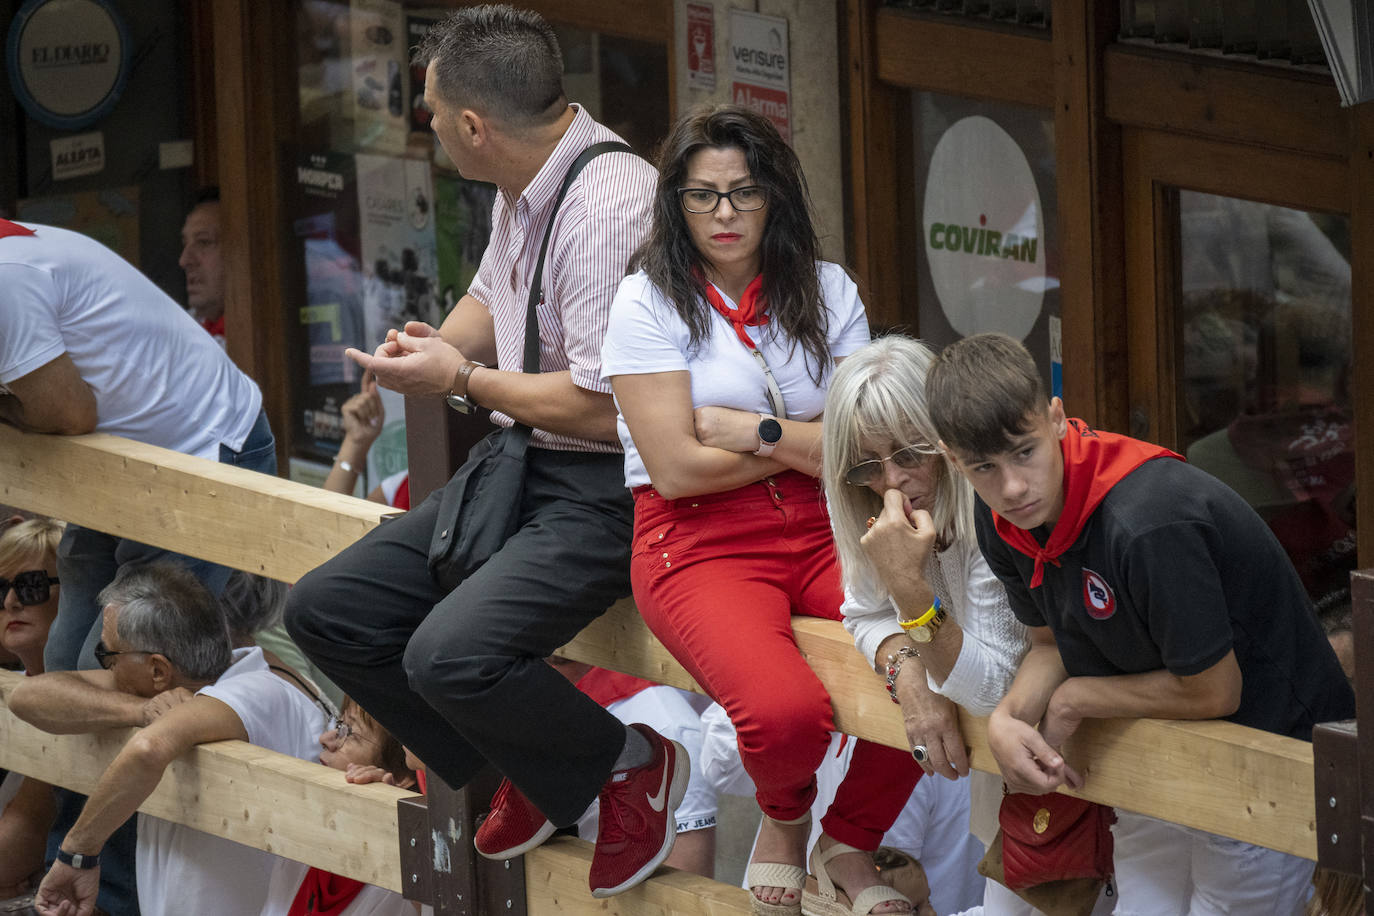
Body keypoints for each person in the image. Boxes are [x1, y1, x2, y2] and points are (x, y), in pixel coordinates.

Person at [284, 6, 686, 900]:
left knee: (444, 657)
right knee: (325, 611)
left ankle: (627, 762)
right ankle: (533, 769)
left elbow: (607, 410)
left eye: (428, 110)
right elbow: (489, 302)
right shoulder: (525, 180)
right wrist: (423, 355)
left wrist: (459, 379)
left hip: (606, 484)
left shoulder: (606, 201)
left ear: (473, 125)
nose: (422, 122)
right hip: (524, 467)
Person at [600, 104, 911, 916]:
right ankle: (786, 816)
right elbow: (673, 470)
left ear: (775, 196)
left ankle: (846, 841)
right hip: (698, 546)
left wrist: (754, 430)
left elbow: (866, 449)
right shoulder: (645, 302)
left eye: (744, 192)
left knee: (935, 666)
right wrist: (804, 442)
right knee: (783, 716)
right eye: (703, 197)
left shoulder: (827, 289)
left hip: (826, 522)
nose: (725, 214)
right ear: (676, 204)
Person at [925, 332, 1357, 915]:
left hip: (1263, 764)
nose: (1013, 487)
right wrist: (1009, 717)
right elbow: (1049, 643)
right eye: (984, 467)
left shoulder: (1147, 521)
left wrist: (1076, 699)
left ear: (1055, 417)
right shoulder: (998, 513)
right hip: (1153, 752)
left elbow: (1213, 688)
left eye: (1024, 451)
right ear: (955, 461)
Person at [823, 336, 1107, 916]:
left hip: (1099, 756)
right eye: (866, 466)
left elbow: (991, 687)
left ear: (950, 445)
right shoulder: (874, 507)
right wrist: (910, 682)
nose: (892, 482)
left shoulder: (997, 503)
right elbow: (863, 611)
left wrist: (909, 588)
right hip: (1011, 767)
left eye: (909, 454)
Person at [10, 563, 322, 916]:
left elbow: (147, 749)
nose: (105, 667)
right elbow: (28, 696)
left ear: (158, 669)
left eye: (107, 655)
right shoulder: (180, 681)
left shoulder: (257, 690)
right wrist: (140, 711)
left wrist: (76, 856)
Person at [258, 698, 416, 916]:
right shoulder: (304, 830)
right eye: (338, 724)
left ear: (400, 776)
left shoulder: (406, 880)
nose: (325, 738)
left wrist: (390, 824)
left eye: (349, 732)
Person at [0, 518, 64, 901]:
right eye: (0, 587)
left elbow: (7, 856)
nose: (11, 601)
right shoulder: (11, 682)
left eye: (32, 585)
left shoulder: (83, 692)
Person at [179, 187, 227, 344]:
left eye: (203, 242)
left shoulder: (280, 330)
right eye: (184, 244)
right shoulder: (175, 332)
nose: (184, 261)